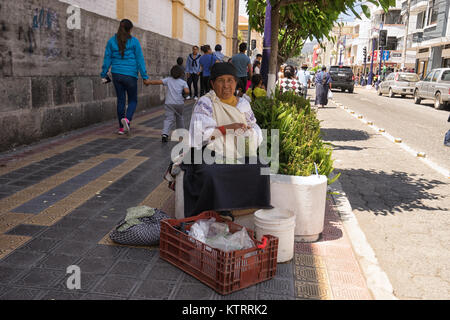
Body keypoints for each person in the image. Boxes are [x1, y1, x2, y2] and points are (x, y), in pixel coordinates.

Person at [180, 62, 271, 218]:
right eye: (221, 80)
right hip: (208, 151)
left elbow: (254, 126)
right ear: (212, 83)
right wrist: (229, 128)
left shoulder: (243, 104)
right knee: (211, 172)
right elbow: (200, 135)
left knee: (261, 166)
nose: (226, 85)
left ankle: (247, 207)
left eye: (230, 80)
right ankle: (220, 210)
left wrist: (250, 134)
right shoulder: (206, 103)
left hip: (236, 151)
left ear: (236, 83)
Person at [101, 19, 149, 135]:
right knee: (133, 100)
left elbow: (107, 59)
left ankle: (121, 128)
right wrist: (144, 76)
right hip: (130, 75)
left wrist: (103, 74)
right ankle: (127, 119)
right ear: (130, 29)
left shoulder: (111, 41)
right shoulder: (134, 42)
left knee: (121, 101)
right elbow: (139, 60)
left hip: (117, 74)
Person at [145, 65, 189, 143]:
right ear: (181, 74)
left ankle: (165, 134)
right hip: (179, 104)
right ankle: (181, 134)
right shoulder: (183, 82)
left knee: (168, 119)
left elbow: (157, 82)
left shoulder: (168, 80)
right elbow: (186, 91)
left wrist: (148, 82)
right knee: (179, 118)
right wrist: (185, 93)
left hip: (169, 103)